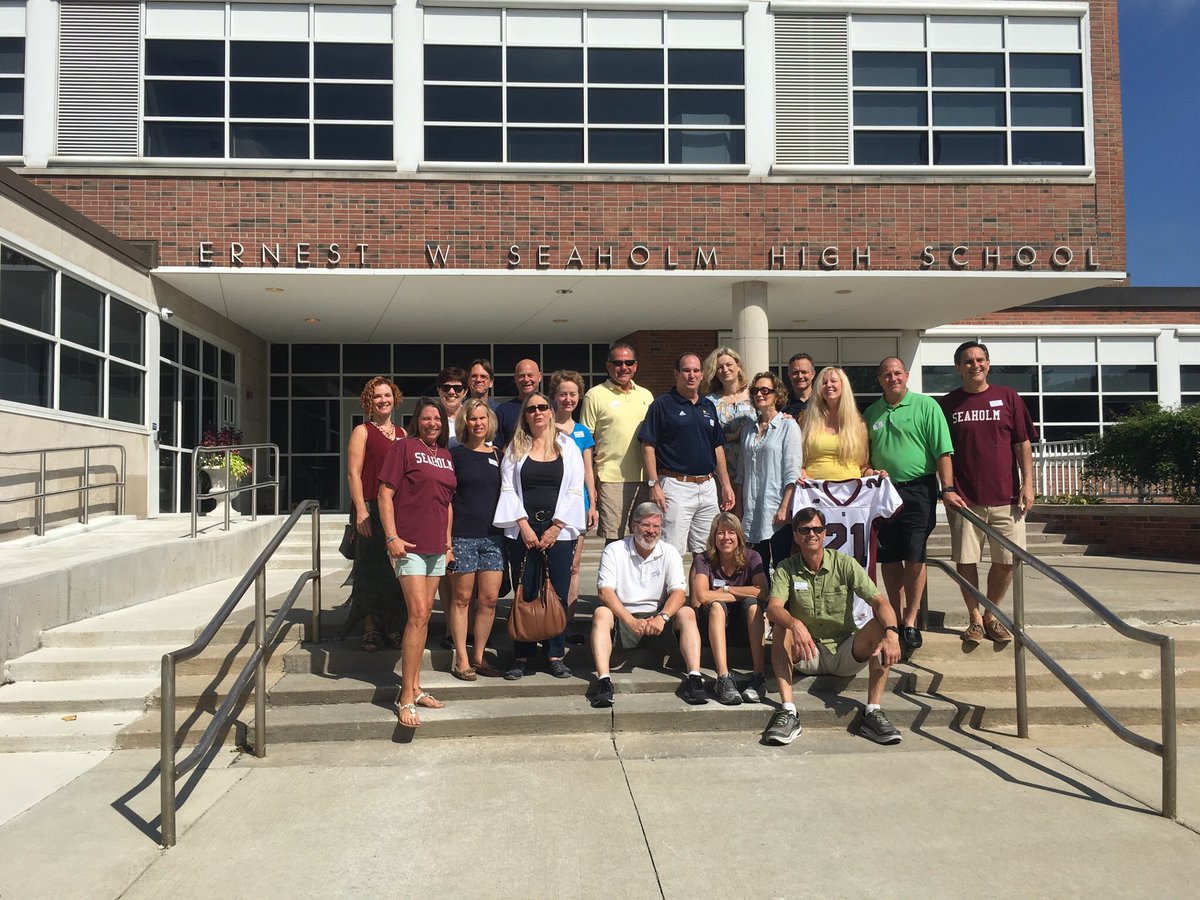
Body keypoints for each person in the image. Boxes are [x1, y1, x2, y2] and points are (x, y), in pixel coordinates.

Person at [762, 507, 903, 746]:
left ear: (825, 533)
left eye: (817, 529)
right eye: (804, 530)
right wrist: (795, 624)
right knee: (782, 627)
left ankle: (873, 711)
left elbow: (878, 601)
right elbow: (773, 608)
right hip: (806, 652)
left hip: (843, 651)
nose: (811, 534)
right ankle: (788, 711)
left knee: (880, 628)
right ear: (796, 536)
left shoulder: (845, 564)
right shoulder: (786, 567)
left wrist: (893, 633)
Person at [864, 356, 966, 653]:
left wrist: (947, 488)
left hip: (919, 489)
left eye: (897, 373)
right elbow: (865, 456)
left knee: (915, 554)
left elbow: (943, 451)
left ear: (906, 375)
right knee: (890, 557)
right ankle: (893, 618)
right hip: (884, 492)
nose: (892, 378)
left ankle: (911, 620)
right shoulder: (872, 412)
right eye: (886, 374)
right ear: (879, 379)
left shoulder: (927, 406)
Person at [939, 341, 1037, 644]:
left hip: (1007, 498)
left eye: (980, 360)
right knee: (966, 560)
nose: (975, 365)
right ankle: (974, 619)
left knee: (1006, 560)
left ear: (988, 364)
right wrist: (948, 489)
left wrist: (1028, 484)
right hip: (965, 500)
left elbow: (1022, 444)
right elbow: (943, 452)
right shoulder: (948, 404)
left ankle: (992, 615)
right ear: (958, 368)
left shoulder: (1008, 397)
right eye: (967, 361)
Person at [493, 391, 586, 679]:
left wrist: (557, 527)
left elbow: (575, 487)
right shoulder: (516, 448)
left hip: (559, 530)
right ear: (526, 415)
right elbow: (507, 488)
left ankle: (555, 653)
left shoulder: (568, 447)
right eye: (531, 408)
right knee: (526, 588)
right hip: (523, 530)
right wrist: (523, 525)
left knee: (556, 591)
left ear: (551, 411)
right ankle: (521, 654)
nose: (538, 412)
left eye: (543, 407)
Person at [377, 397, 457, 729]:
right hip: (408, 545)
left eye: (437, 418)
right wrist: (391, 536)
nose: (432, 423)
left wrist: (449, 543)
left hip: (437, 548)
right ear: (417, 421)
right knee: (420, 614)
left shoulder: (447, 456)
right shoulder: (403, 449)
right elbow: (385, 493)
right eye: (426, 418)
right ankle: (404, 698)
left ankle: (415, 686)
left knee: (422, 620)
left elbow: (447, 502)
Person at [591, 502, 708, 707]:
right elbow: (605, 592)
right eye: (646, 525)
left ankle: (694, 678)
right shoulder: (615, 550)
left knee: (687, 612)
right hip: (624, 616)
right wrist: (629, 620)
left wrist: (662, 617)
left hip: (658, 618)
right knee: (602, 613)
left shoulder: (669, 552)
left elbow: (679, 593)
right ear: (633, 525)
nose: (651, 531)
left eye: (656, 527)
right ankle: (603, 681)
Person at [638, 353, 735, 555]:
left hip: (707, 487)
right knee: (672, 551)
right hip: (675, 487)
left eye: (696, 370)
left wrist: (725, 485)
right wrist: (653, 484)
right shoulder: (662, 405)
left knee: (708, 552)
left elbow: (717, 446)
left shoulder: (707, 406)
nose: (691, 375)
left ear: (701, 375)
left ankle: (700, 588)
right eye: (686, 370)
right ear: (676, 374)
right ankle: (673, 588)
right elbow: (648, 445)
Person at [344, 376, 407, 652]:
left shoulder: (404, 434)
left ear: (395, 398)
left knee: (394, 570)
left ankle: (391, 626)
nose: (383, 400)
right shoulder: (363, 431)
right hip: (368, 506)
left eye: (387, 395)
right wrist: (360, 510)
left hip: (395, 510)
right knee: (368, 569)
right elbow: (353, 473)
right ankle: (369, 628)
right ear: (369, 401)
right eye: (377, 396)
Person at [447, 399, 505, 679]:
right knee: (461, 599)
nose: (478, 423)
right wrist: (447, 541)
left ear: (489, 421)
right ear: (465, 423)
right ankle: (462, 659)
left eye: (482, 418)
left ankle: (480, 656)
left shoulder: (498, 455)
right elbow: (446, 499)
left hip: (493, 537)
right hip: (462, 535)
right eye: (473, 419)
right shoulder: (454, 455)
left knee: (490, 599)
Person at [689, 513, 769, 704]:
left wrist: (727, 589)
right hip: (714, 626)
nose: (726, 537)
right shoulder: (704, 559)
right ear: (713, 537)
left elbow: (763, 592)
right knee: (717, 605)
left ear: (739, 535)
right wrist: (742, 593)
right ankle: (723, 678)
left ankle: (759, 676)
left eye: (731, 532)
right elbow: (702, 595)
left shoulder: (752, 556)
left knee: (753, 606)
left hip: (746, 626)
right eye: (721, 533)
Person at [581, 342, 655, 543]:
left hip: (643, 478)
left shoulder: (646, 396)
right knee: (614, 542)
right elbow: (586, 444)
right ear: (608, 366)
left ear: (636, 366)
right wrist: (591, 483)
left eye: (629, 362)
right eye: (618, 362)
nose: (624, 367)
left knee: (644, 539)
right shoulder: (594, 395)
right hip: (610, 479)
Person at [736, 371, 802, 573]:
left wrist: (785, 507)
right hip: (752, 510)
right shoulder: (748, 429)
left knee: (781, 565)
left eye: (765, 390)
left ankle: (780, 605)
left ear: (777, 394)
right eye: (755, 390)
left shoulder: (788, 426)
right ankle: (759, 603)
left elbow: (793, 471)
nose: (759, 394)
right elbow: (741, 473)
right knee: (756, 566)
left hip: (775, 509)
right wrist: (739, 508)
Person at [550, 369, 599, 634]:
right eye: (563, 394)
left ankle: (566, 622)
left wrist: (592, 504)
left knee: (574, 565)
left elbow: (589, 470)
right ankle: (548, 618)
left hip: (577, 506)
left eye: (573, 394)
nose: (568, 399)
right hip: (551, 506)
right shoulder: (544, 426)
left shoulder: (582, 432)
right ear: (554, 397)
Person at [800, 367, 875, 481]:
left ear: (843, 386)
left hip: (852, 491)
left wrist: (873, 474)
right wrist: (801, 473)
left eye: (833, 381)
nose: (828, 385)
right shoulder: (806, 420)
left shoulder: (859, 422)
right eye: (824, 383)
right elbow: (797, 460)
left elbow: (863, 465)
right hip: (815, 491)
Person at [702, 346, 754, 482]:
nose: (725, 370)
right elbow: (706, 436)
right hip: (721, 472)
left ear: (738, 366)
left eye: (729, 364)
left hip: (753, 470)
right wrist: (734, 436)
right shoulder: (709, 402)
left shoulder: (756, 395)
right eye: (720, 367)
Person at [495, 358, 542, 448]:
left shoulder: (550, 407)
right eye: (521, 376)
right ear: (515, 378)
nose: (526, 379)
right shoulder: (503, 411)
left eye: (530, 375)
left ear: (539, 377)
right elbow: (496, 447)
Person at [434, 366, 467, 447]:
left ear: (465, 392)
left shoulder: (474, 416)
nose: (451, 392)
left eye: (457, 388)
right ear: (438, 390)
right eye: (446, 387)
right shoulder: (431, 419)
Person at [781, 352, 816, 421]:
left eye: (804, 372)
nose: (800, 376)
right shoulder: (782, 403)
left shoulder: (823, 400)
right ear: (789, 375)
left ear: (813, 374)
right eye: (795, 373)